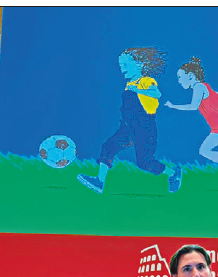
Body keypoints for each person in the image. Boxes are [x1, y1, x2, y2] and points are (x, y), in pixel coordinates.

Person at [77, 47, 182, 195]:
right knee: (108, 147)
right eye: (121, 66)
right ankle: (99, 181)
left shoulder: (145, 81)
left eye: (125, 65)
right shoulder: (129, 84)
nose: (122, 68)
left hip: (144, 128)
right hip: (127, 127)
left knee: (144, 163)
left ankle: (173, 173)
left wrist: (137, 90)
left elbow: (157, 93)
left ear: (139, 64)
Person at [165, 57, 218, 190]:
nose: (179, 81)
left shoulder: (199, 86)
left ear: (190, 76)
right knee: (205, 150)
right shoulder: (205, 88)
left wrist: (173, 106)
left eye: (180, 77)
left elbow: (194, 106)